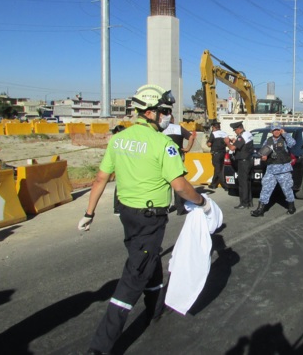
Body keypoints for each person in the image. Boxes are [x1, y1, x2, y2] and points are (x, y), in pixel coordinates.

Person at [77, 84, 214, 355]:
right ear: (150, 113)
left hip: (127, 214)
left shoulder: (119, 139)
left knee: (149, 261)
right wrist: (202, 201)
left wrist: (89, 213)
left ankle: (154, 309)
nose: (168, 117)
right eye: (164, 111)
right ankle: (100, 346)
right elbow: (180, 185)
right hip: (150, 218)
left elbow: (100, 178)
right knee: (133, 276)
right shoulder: (163, 144)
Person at [251, 122, 296, 217]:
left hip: (283, 169)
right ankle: (260, 209)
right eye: (274, 130)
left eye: (278, 129)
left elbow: (292, 144)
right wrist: (264, 157)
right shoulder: (268, 141)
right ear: (271, 131)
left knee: (287, 189)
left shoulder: (285, 139)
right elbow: (263, 152)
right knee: (265, 189)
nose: (276, 132)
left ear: (281, 130)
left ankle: (291, 206)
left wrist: (285, 134)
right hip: (271, 169)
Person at [163, 115, 196, 215]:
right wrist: (187, 148)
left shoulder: (161, 129)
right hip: (177, 158)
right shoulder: (178, 128)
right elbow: (191, 137)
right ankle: (180, 208)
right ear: (173, 119)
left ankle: (166, 206)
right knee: (178, 180)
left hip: (164, 158)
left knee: (165, 182)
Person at [225, 121, 253, 209]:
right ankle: (249, 201)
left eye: (235, 130)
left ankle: (244, 203)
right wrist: (235, 141)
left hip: (243, 162)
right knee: (247, 182)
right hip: (248, 160)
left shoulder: (242, 136)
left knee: (242, 182)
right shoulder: (248, 134)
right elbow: (242, 144)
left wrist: (227, 143)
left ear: (239, 128)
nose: (234, 132)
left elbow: (233, 148)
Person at [206, 121, 229, 190]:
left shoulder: (213, 133)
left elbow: (209, 144)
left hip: (216, 154)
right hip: (223, 153)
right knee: (218, 168)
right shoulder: (224, 133)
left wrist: (207, 142)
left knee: (218, 170)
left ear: (213, 127)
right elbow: (227, 142)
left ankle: (225, 185)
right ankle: (213, 184)